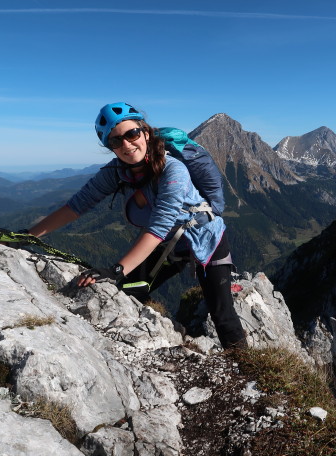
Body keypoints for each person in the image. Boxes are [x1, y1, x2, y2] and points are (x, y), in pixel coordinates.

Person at [28, 102, 246, 349]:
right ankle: (159, 340)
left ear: (146, 132)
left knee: (222, 314)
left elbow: (159, 225)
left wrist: (118, 268)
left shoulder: (174, 169)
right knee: (129, 289)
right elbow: (77, 206)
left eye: (131, 134)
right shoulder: (117, 171)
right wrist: (28, 236)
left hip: (206, 238)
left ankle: (246, 373)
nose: (126, 145)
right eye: (115, 141)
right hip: (168, 243)